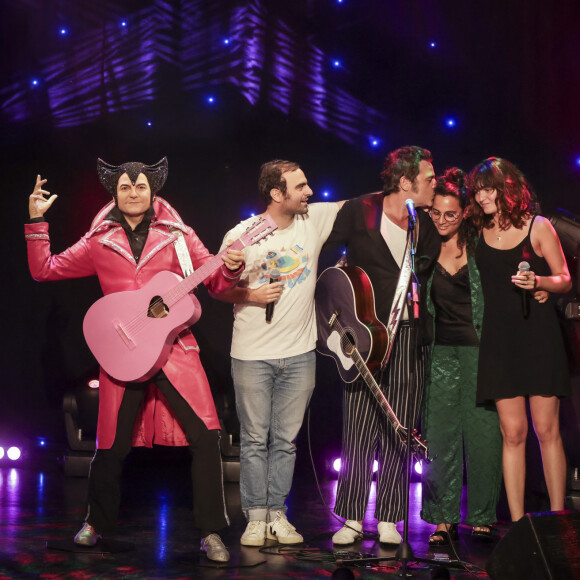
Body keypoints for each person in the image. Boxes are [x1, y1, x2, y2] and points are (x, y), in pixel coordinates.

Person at [25, 158, 245, 563]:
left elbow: (214, 280)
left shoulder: (180, 236)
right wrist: (37, 223)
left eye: (140, 186)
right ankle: (95, 522)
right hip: (123, 351)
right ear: (114, 193)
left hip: (174, 350)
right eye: (125, 187)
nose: (133, 193)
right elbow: (44, 269)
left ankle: (212, 531)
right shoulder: (98, 239)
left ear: (153, 191)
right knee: (110, 444)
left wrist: (231, 267)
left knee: (207, 437)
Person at [211, 160, 343, 546]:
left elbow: (356, 205)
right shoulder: (243, 234)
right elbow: (216, 288)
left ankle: (276, 514)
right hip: (252, 354)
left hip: (300, 354)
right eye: (300, 186)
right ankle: (254, 517)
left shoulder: (312, 221)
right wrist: (247, 290)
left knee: (285, 441)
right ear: (276, 194)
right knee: (254, 439)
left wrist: (401, 194)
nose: (310, 192)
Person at [325, 146, 440, 545]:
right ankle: (353, 517)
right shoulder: (360, 210)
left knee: (401, 423)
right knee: (358, 424)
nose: (434, 184)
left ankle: (391, 516)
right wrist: (335, 309)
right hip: (364, 338)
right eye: (428, 178)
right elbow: (323, 255)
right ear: (405, 182)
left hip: (409, 335)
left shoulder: (423, 223)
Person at [468, 157, 571, 523]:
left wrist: (541, 284)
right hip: (500, 342)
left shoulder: (538, 226)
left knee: (547, 430)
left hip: (538, 337)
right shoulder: (477, 231)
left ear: (508, 188)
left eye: (488, 189)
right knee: (512, 433)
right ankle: (517, 526)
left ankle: (558, 521)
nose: (481, 197)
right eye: (478, 191)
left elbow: (565, 278)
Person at [420, 167, 504, 545]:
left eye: (450, 214)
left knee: (484, 431)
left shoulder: (482, 243)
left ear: (465, 213)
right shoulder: (423, 246)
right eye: (435, 213)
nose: (441, 220)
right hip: (439, 351)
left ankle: (483, 514)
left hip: (480, 349)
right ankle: (442, 518)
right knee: (440, 435)